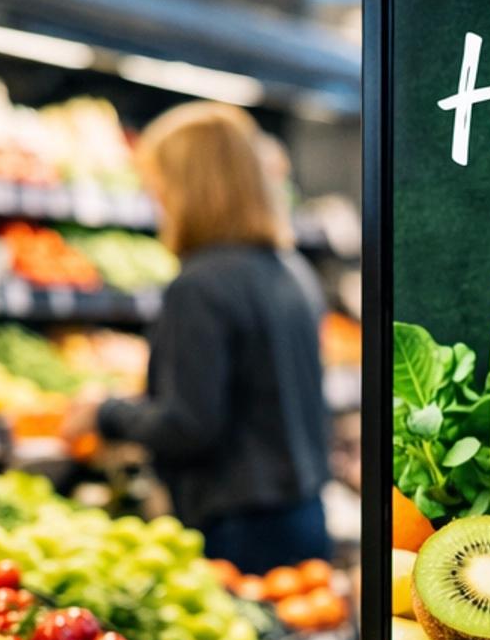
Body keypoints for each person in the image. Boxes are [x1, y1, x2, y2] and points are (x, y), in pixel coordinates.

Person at [65, 101, 332, 575]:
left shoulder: (200, 285)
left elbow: (188, 425)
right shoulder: (292, 270)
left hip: (238, 528)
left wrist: (105, 413)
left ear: (191, 186)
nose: (154, 195)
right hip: (304, 513)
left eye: (160, 179)